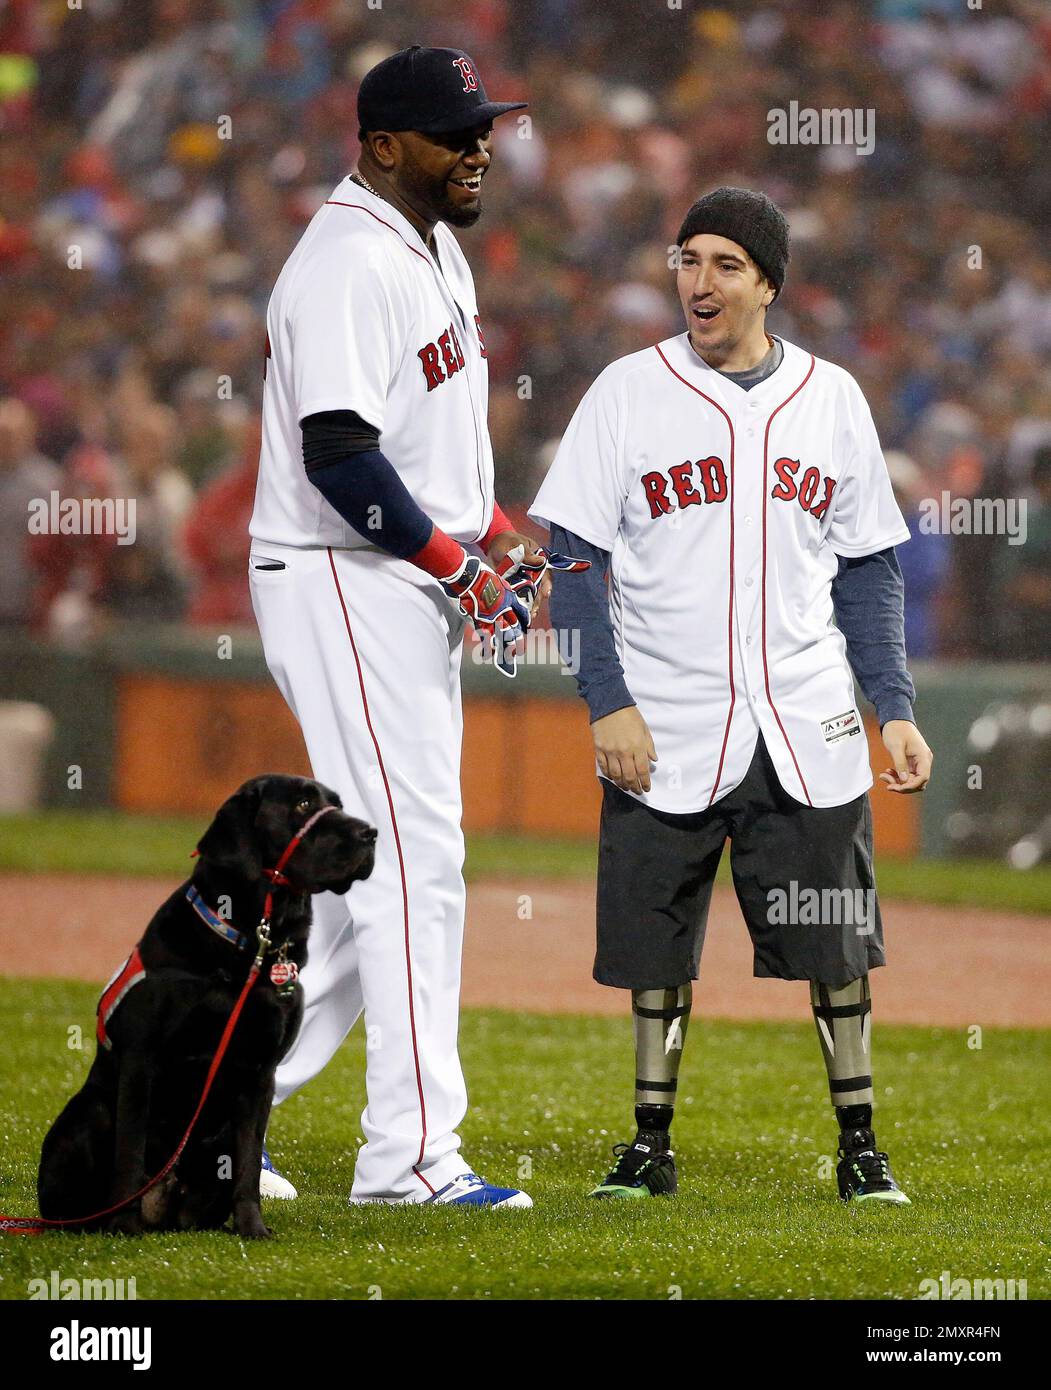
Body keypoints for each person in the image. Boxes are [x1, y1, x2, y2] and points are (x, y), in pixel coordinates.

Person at [530, 187, 933, 1205]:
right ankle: (647, 1142)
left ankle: (859, 1144)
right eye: (685, 259)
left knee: (836, 941)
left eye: (722, 264)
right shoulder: (627, 391)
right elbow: (572, 559)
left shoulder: (831, 398)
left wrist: (893, 704)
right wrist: (604, 698)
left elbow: (868, 569)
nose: (696, 282)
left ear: (766, 282)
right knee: (655, 944)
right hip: (663, 716)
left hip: (804, 714)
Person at [248, 46, 561, 1208]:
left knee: (371, 871)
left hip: (393, 576)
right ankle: (412, 1157)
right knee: (412, 861)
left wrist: (497, 537)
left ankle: (212, 1109)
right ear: (382, 145)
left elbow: (429, 454)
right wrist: (455, 566)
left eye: (484, 126)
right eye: (453, 131)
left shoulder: (429, 247)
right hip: (342, 573)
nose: (479, 145)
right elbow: (340, 455)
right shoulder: (340, 263)